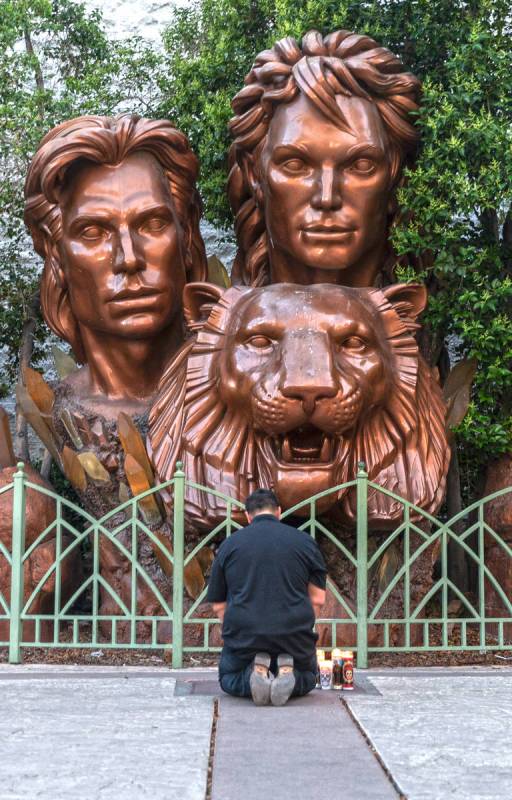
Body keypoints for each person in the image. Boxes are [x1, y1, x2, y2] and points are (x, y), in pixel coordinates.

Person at [24, 113, 207, 419]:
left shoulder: (245, 390)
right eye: (93, 233)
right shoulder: (57, 412)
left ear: (186, 235)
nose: (130, 258)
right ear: (57, 255)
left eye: (153, 224)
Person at [228, 29, 421, 288]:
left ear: (395, 176)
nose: (327, 198)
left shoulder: (429, 316)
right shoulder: (219, 323)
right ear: (255, 175)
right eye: (295, 165)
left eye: (361, 166)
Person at [207, 488, 327, 706]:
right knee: (309, 678)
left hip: (245, 636)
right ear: (279, 512)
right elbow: (318, 599)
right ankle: (288, 675)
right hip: (294, 637)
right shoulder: (305, 543)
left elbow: (218, 605)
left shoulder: (229, 545)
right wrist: (299, 626)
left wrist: (235, 630)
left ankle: (252, 675)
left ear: (248, 516)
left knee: (227, 679)